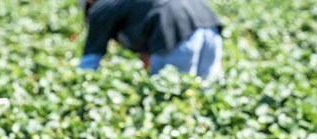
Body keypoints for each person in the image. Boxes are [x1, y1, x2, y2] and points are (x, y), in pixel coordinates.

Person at [78, 0, 223, 80]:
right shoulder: (127, 6)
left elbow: (90, 60)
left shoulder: (101, 9)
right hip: (209, 24)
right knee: (206, 90)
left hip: (174, 28)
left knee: (173, 94)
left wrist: (81, 83)